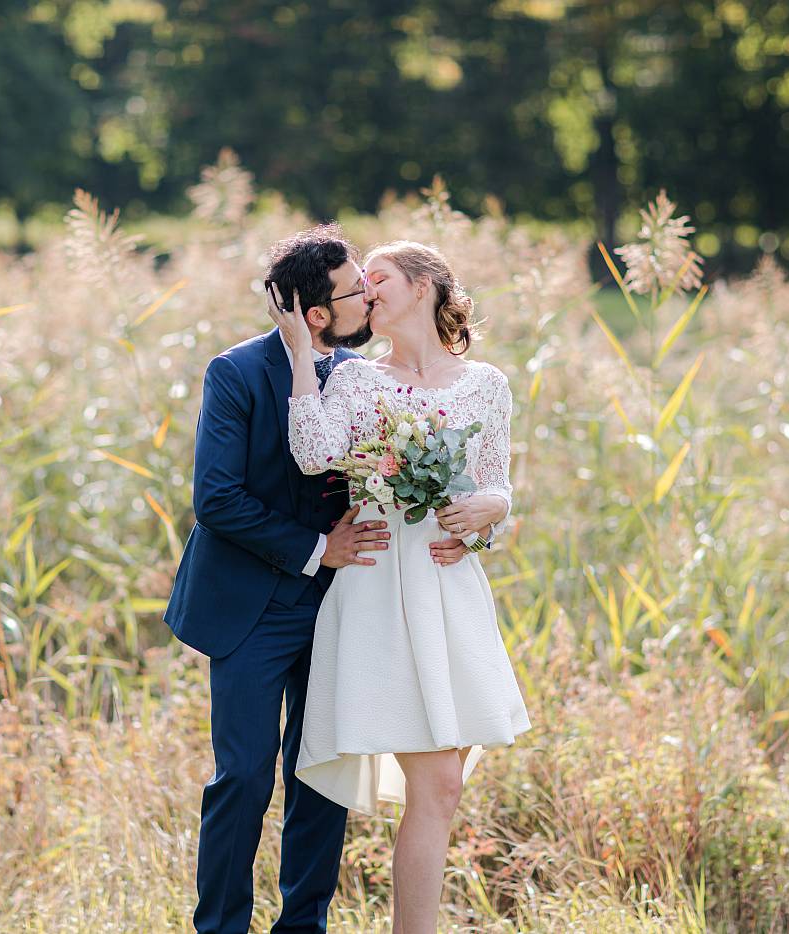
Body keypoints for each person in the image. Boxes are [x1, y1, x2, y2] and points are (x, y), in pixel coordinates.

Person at [267, 240, 532, 933]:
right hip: (380, 587)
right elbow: (314, 453)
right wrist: (303, 353)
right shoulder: (357, 379)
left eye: (378, 278)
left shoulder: (487, 384)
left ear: (423, 286)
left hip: (449, 587)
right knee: (438, 783)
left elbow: (496, 486)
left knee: (441, 791)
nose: (366, 291)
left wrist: (490, 511)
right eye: (362, 283)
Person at [163, 225, 391, 933]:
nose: (371, 299)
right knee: (242, 775)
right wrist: (317, 548)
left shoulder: (367, 378)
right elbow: (217, 499)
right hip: (250, 608)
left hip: (340, 605)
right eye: (357, 291)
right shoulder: (234, 373)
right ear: (316, 313)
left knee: (320, 773)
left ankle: (303, 927)